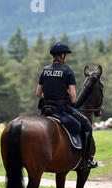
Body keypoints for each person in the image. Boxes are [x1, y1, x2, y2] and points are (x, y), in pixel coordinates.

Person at [36, 41, 97, 170]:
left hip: (46, 110)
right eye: (66, 55)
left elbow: (38, 93)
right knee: (87, 126)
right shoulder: (68, 71)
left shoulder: (45, 70)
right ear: (63, 55)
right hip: (62, 110)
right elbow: (73, 96)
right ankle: (86, 161)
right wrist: (71, 102)